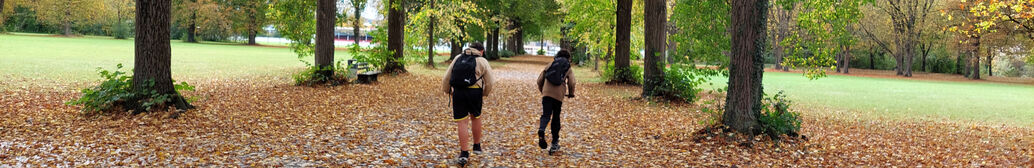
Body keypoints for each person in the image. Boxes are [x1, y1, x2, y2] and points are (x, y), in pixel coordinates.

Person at [441, 43, 494, 165]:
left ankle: (464, 153)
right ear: (481, 51)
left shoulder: (458, 58)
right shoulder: (482, 61)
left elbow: (447, 77)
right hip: (475, 92)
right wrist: (484, 93)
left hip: (459, 92)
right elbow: (490, 81)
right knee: (476, 117)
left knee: (462, 122)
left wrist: (447, 90)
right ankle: (477, 145)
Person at [535, 50, 576, 155]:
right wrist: (571, 93)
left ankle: (541, 129)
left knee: (546, 115)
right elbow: (572, 82)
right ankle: (554, 143)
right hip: (558, 96)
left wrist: (543, 91)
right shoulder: (568, 67)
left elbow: (539, 80)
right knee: (556, 117)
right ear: (568, 58)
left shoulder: (550, 64)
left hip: (546, 94)